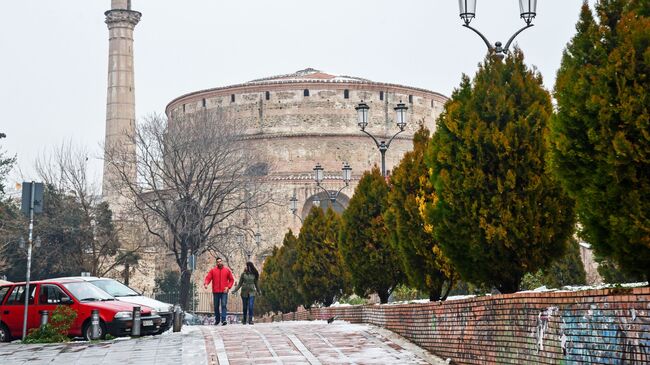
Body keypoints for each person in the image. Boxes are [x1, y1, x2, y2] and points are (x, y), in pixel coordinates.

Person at [203, 257, 234, 325]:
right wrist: (206, 284)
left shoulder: (227, 270)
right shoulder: (213, 271)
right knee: (216, 306)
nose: (219, 263)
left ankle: (223, 320)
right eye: (218, 262)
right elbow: (208, 278)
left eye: (220, 261)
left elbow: (231, 280)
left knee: (223, 305)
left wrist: (228, 287)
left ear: (222, 262)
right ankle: (217, 319)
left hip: (224, 291)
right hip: (216, 291)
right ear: (216, 263)